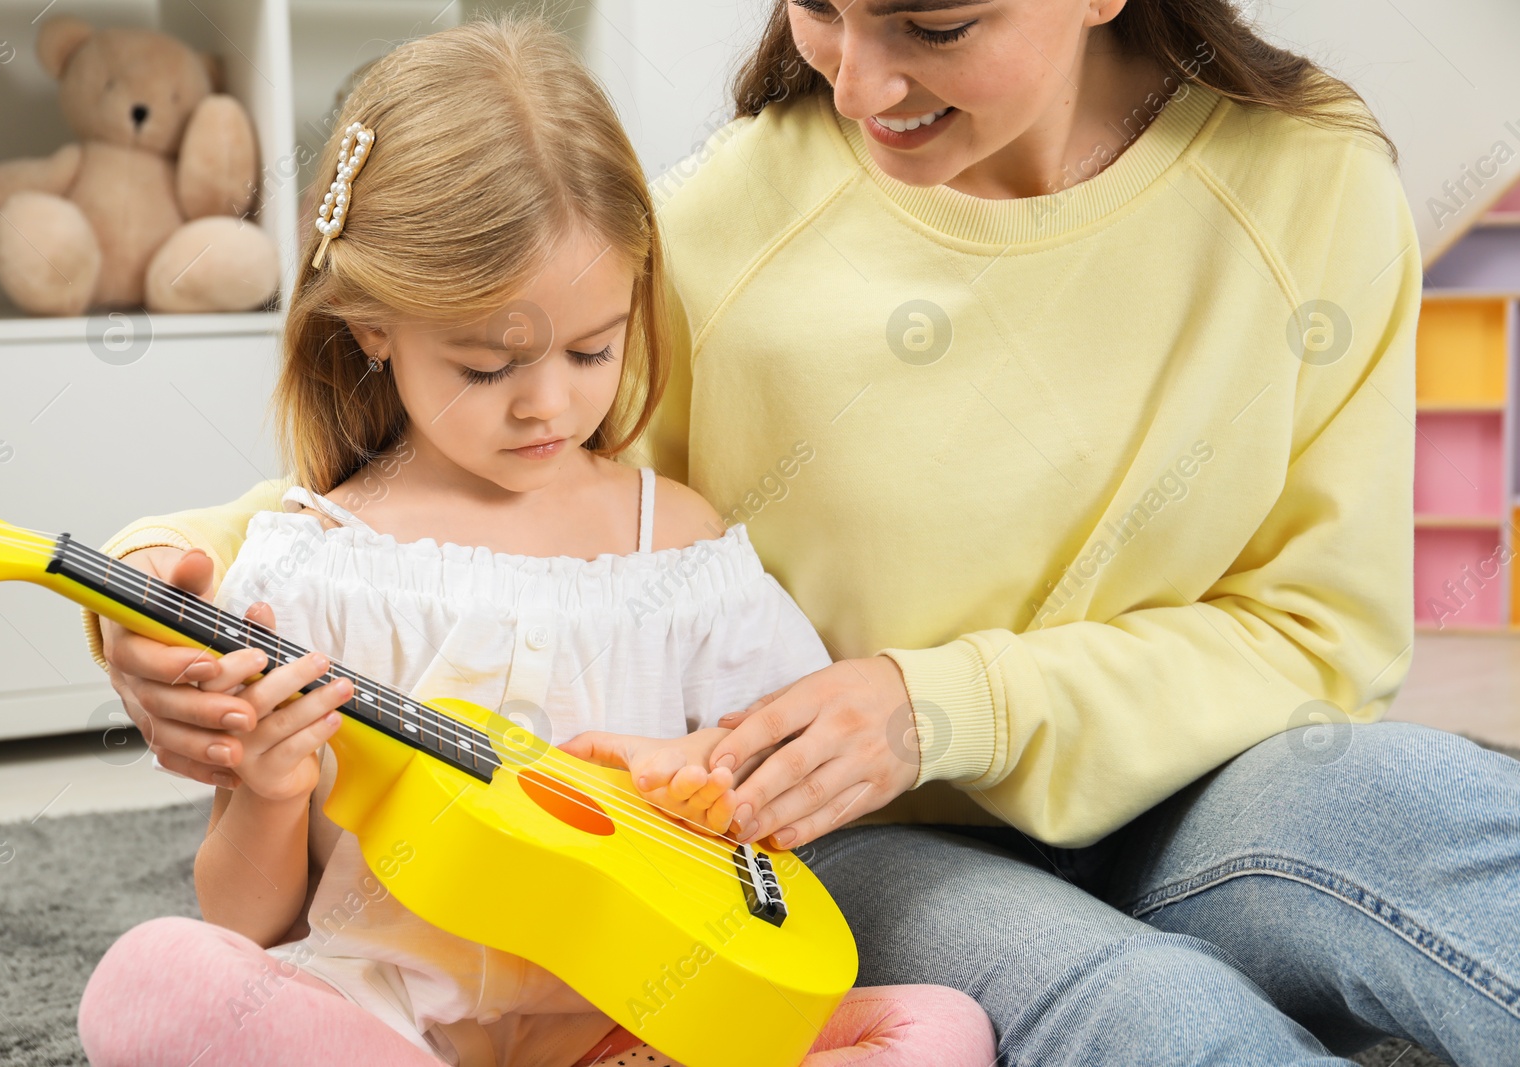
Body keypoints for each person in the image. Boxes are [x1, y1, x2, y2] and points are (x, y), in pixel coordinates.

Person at [86, 1, 1520, 1064]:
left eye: (933, 24)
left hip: (1209, 781)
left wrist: (943, 700)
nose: (862, 78)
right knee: (1154, 1015)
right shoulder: (730, 214)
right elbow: (490, 486)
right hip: (862, 839)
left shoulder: (1310, 185)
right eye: (821, 9)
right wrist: (154, 572)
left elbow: (1324, 635)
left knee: (1431, 816)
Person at [74, 19, 994, 1067]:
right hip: (382, 1014)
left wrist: (697, 771)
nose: (546, 405)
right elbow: (243, 920)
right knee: (156, 979)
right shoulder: (307, 568)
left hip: (629, 1026)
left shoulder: (677, 549)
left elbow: (788, 792)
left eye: (593, 349)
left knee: (937, 1025)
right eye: (484, 365)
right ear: (372, 324)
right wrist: (274, 795)